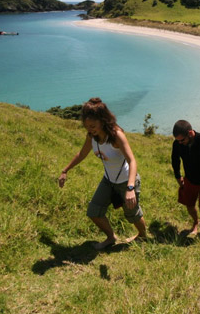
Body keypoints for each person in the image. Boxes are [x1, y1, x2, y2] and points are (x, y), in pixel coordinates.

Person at [58, 97, 147, 250]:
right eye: (87, 126)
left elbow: (132, 161)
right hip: (108, 180)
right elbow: (82, 154)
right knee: (94, 211)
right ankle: (111, 237)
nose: (90, 129)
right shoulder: (91, 136)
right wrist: (65, 170)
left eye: (93, 126)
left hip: (126, 180)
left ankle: (143, 236)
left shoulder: (116, 135)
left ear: (102, 120)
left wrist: (130, 188)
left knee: (132, 214)